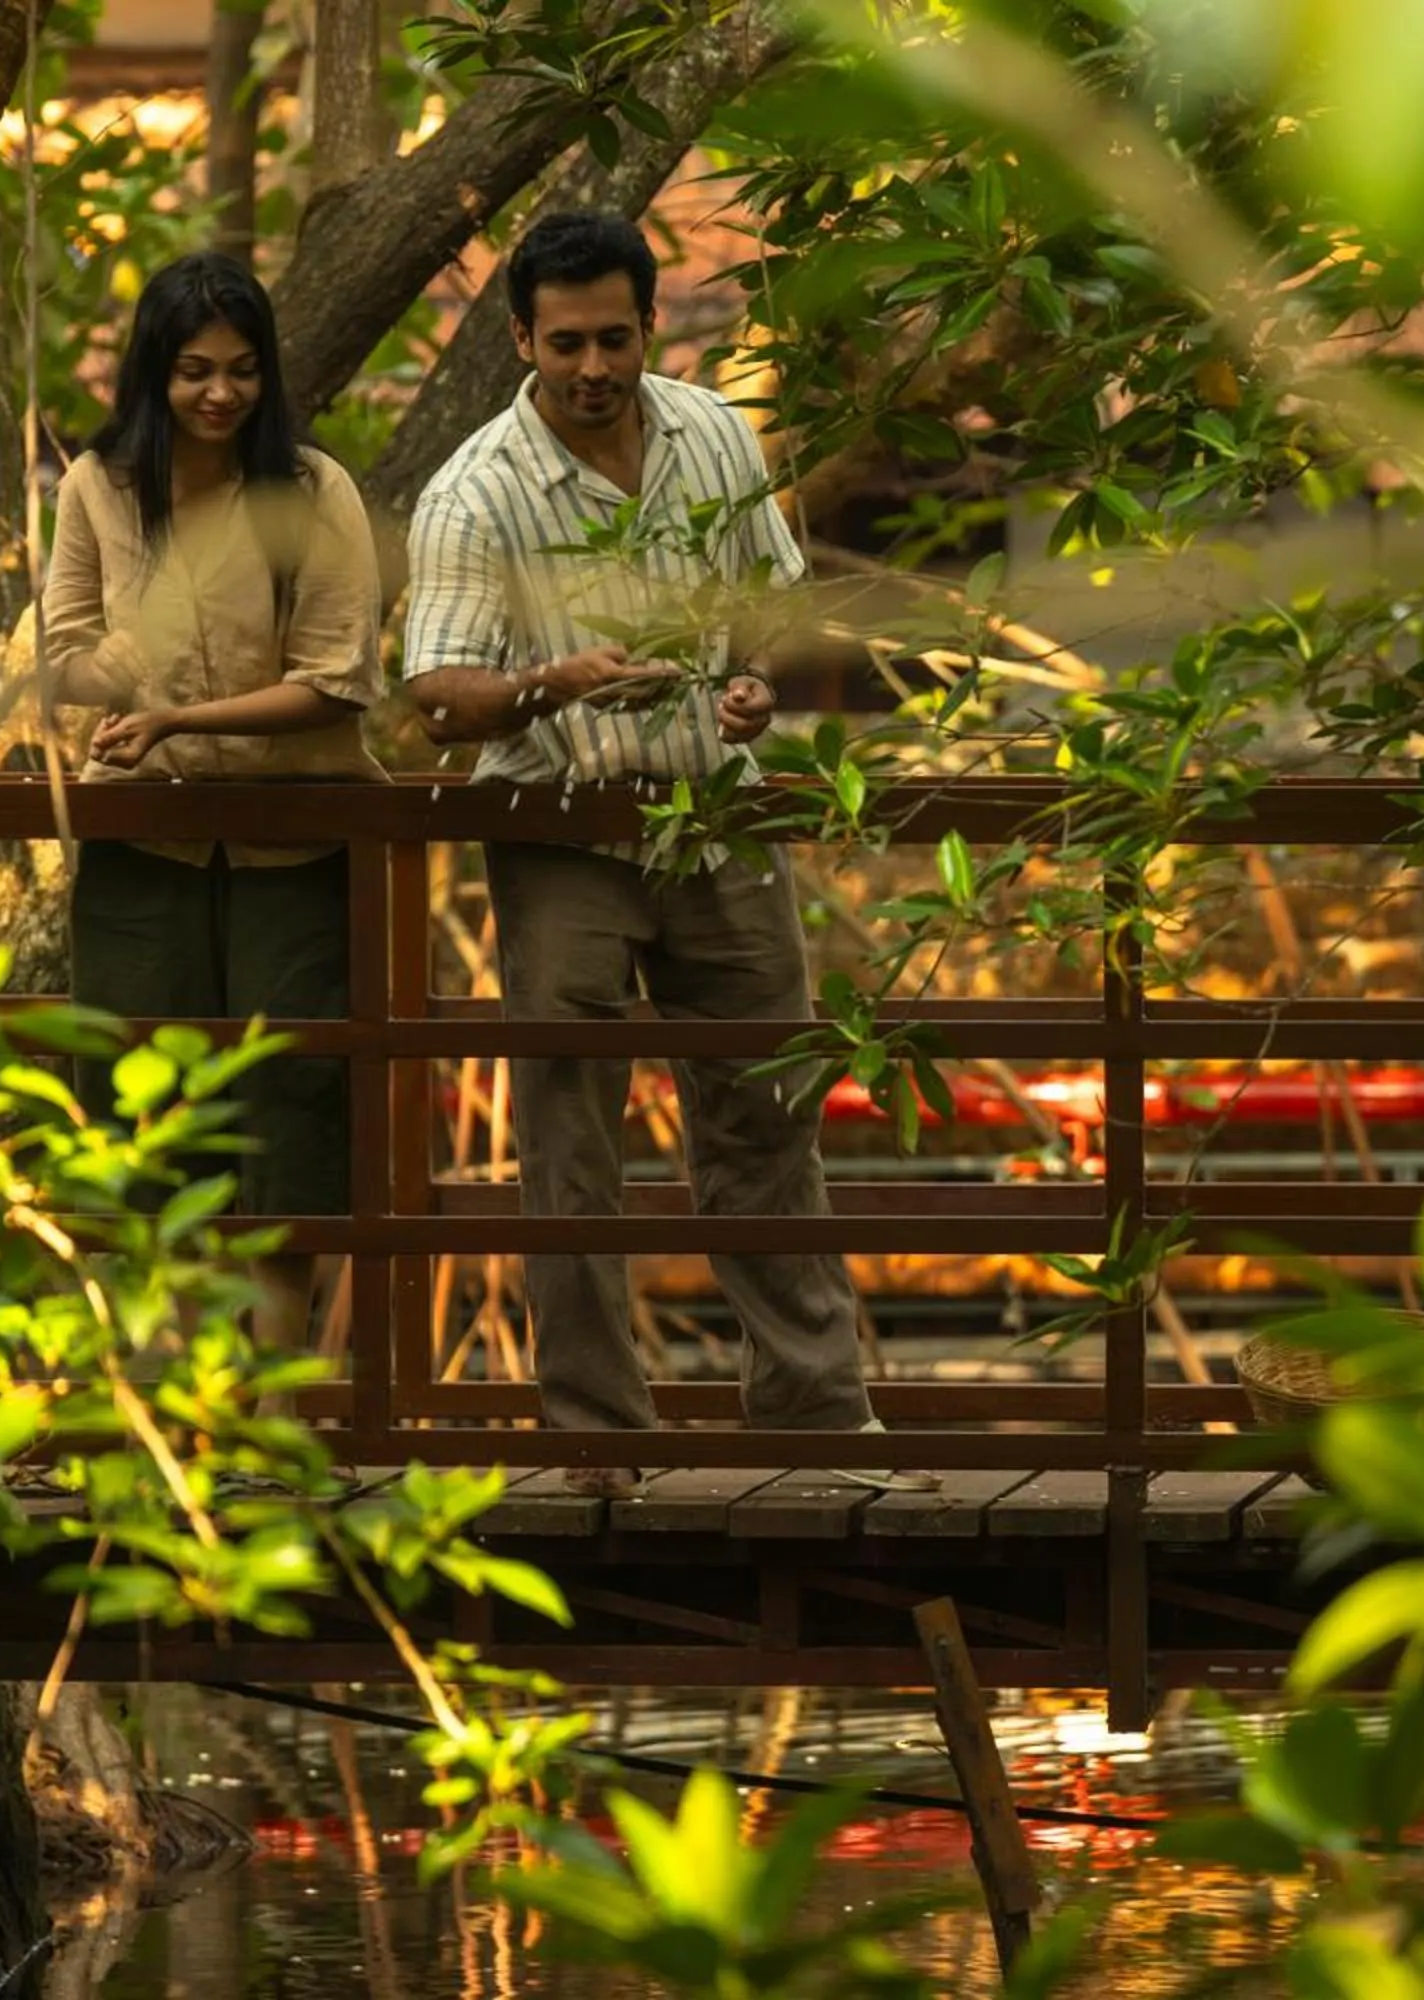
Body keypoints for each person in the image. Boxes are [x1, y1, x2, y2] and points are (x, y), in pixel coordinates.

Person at [402, 209, 928, 1498]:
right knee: (570, 1133)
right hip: (563, 825)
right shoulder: (477, 488)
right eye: (567, 342)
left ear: (650, 326)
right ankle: (599, 1438)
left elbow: (772, 608)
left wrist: (753, 686)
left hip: (722, 812)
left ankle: (815, 1420)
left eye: (617, 338)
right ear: (521, 338)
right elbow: (435, 692)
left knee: (766, 1109)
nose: (594, 367)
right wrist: (543, 682)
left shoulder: (710, 435)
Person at [38, 249, 387, 1356]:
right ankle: (177, 1416)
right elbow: (65, 649)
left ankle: (282, 1417)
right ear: (155, 372)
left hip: (296, 844)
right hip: (146, 844)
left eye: (241, 369)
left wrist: (181, 719)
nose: (220, 393)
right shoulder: (96, 485)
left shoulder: (314, 489)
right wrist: (114, 674)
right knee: (146, 1123)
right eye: (194, 370)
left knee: (295, 1121)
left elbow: (339, 677)